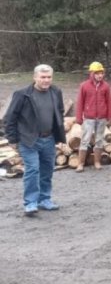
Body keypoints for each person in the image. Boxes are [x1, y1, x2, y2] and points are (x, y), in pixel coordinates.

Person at [4, 64, 66, 216]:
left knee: (47, 170)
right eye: (42, 77)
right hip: (28, 139)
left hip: (49, 138)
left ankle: (44, 199)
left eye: (49, 77)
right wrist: (12, 138)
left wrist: (59, 134)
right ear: (35, 77)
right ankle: (30, 203)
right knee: (32, 170)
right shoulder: (23, 94)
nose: (46, 80)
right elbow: (11, 117)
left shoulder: (56, 92)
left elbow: (60, 111)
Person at [75, 61, 111, 172]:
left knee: (99, 140)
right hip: (89, 118)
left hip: (101, 118)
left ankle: (97, 162)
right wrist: (79, 117)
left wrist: (109, 115)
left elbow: (109, 101)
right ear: (92, 73)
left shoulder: (106, 86)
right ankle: (80, 163)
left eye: (101, 73)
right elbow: (80, 102)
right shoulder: (84, 86)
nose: (100, 75)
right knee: (85, 140)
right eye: (97, 73)